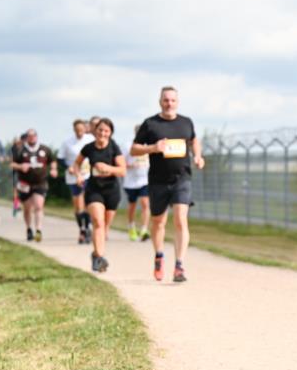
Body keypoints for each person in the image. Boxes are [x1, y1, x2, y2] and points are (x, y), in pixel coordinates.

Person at [130, 86, 204, 282]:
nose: (169, 103)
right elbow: (134, 149)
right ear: (160, 102)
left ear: (177, 102)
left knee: (180, 219)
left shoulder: (186, 122)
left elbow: (194, 140)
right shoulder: (150, 124)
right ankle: (159, 255)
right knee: (158, 222)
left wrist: (198, 156)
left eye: (172, 100)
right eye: (165, 100)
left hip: (182, 179)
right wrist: (153, 148)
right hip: (158, 181)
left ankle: (179, 265)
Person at [74, 118, 126, 272]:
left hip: (112, 190)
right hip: (94, 189)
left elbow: (122, 170)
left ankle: (96, 255)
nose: (102, 133)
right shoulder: (89, 148)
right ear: (95, 131)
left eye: (106, 131)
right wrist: (78, 175)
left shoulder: (114, 147)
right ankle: (100, 257)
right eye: (100, 130)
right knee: (98, 222)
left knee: (105, 229)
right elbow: (76, 163)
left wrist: (108, 168)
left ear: (110, 133)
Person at [12, 129, 58, 242]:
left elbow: (52, 160)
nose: (32, 138)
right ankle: (29, 229)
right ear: (27, 137)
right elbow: (11, 164)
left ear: (36, 136)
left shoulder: (44, 149)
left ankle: (38, 230)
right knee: (27, 208)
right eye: (29, 136)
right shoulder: (20, 150)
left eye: (33, 136)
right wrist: (20, 166)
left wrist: (53, 169)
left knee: (38, 206)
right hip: (24, 183)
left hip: (40, 183)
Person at [58, 119, 95, 244]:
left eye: (81, 130)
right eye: (77, 130)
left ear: (85, 129)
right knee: (78, 205)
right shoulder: (67, 142)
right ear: (74, 130)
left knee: (87, 203)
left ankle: (87, 228)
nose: (79, 132)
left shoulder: (90, 139)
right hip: (73, 176)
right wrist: (68, 167)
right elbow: (60, 158)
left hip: (88, 175)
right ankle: (82, 229)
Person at [124, 124, 151, 241]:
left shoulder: (149, 145)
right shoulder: (127, 145)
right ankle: (131, 226)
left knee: (145, 203)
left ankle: (144, 229)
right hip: (131, 181)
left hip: (145, 180)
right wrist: (131, 165)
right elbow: (121, 162)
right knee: (132, 205)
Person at [10, 134, 24, 217]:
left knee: (22, 192)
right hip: (16, 173)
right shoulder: (14, 149)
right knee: (16, 191)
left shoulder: (25, 149)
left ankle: (19, 206)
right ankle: (16, 207)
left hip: (24, 174)